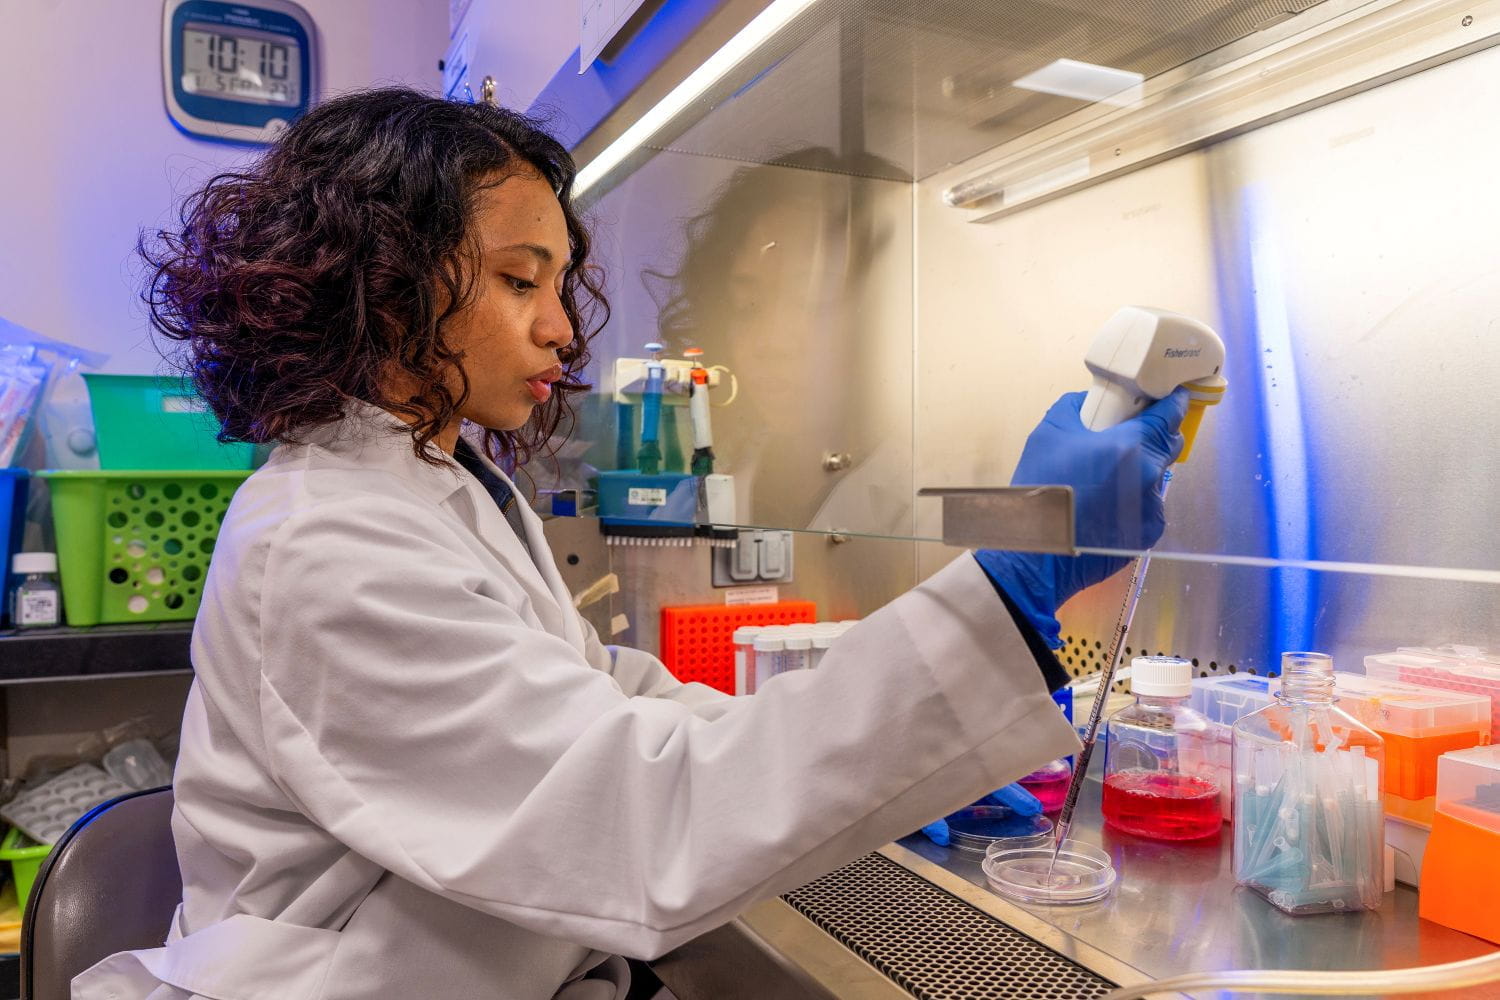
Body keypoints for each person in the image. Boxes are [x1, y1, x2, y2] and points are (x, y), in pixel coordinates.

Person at [74, 89, 1186, 1000]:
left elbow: (600, 697)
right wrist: (1012, 576)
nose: (563, 327)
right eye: (520, 280)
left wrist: (896, 759)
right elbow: (636, 820)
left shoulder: (437, 480)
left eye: (559, 283)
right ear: (383, 282)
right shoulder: (327, 542)